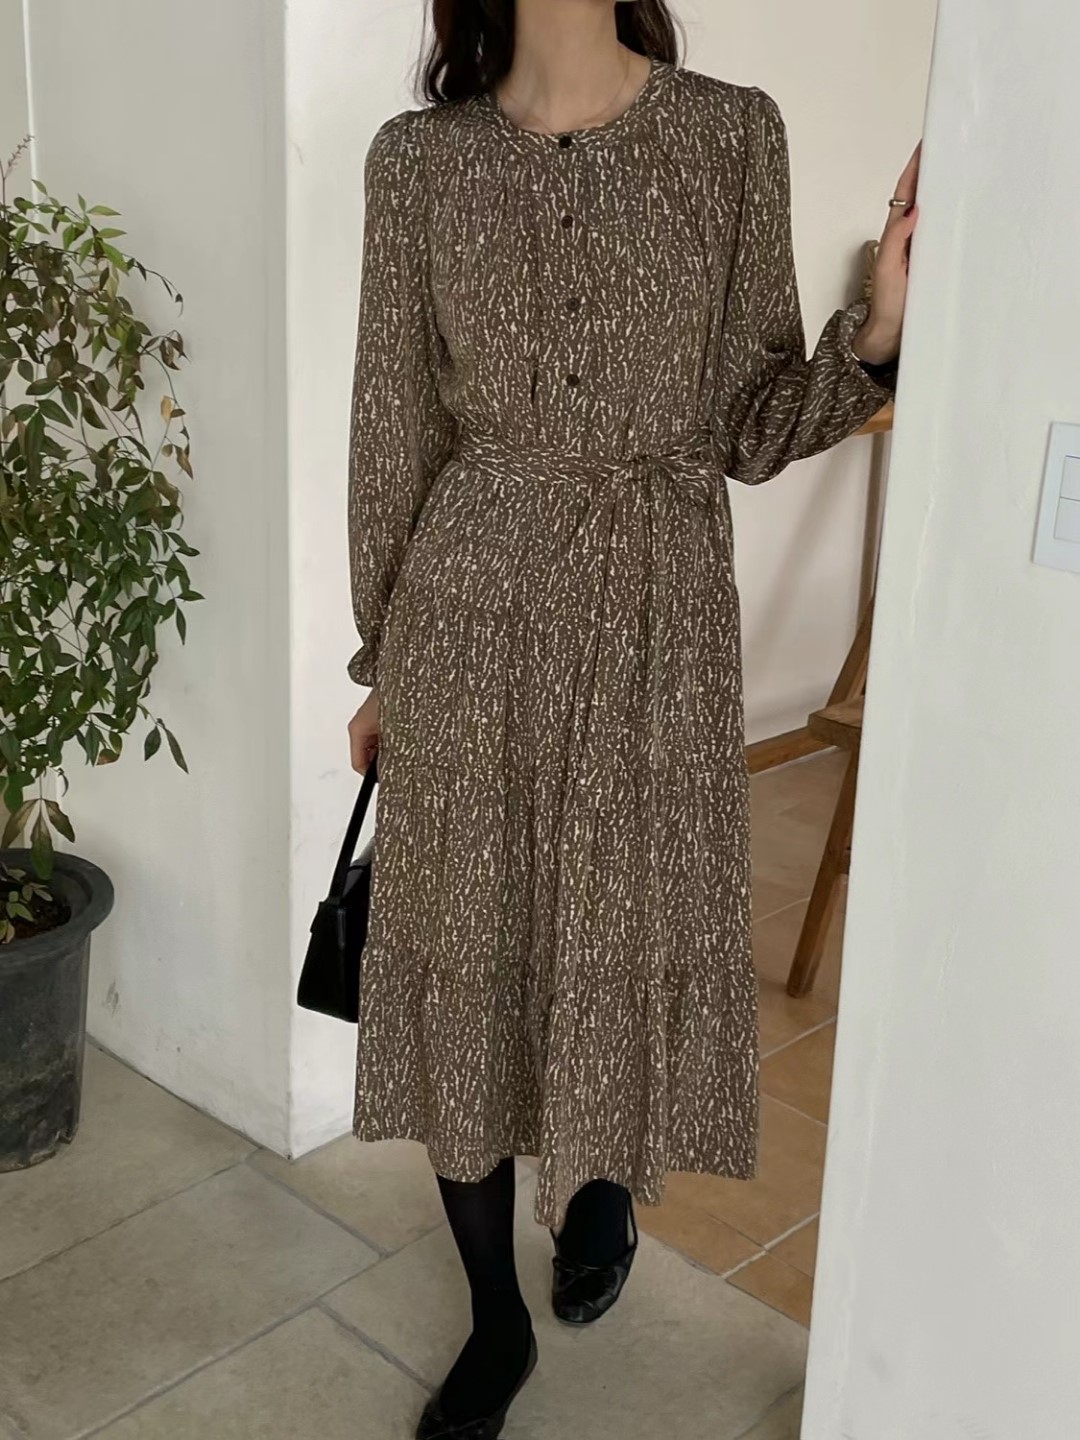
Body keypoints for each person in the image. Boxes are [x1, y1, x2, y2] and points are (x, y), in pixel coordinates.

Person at [345, 3, 918, 1436]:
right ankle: (495, 1319)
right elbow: (392, 424)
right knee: (468, 946)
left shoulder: (730, 134)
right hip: (469, 607)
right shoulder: (418, 160)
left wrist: (879, 326)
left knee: (620, 922)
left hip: (657, 613)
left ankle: (599, 1181)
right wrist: (382, 667)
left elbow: (750, 424)